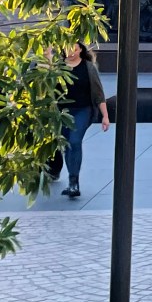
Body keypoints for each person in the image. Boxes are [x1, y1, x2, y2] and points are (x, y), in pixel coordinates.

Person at [59, 42, 111, 198]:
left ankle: (74, 182)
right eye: (68, 49)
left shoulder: (88, 68)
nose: (71, 52)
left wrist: (105, 116)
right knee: (67, 144)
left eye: (74, 49)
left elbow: (98, 93)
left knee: (75, 141)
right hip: (61, 112)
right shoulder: (57, 68)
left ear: (80, 49)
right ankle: (71, 180)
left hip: (83, 109)